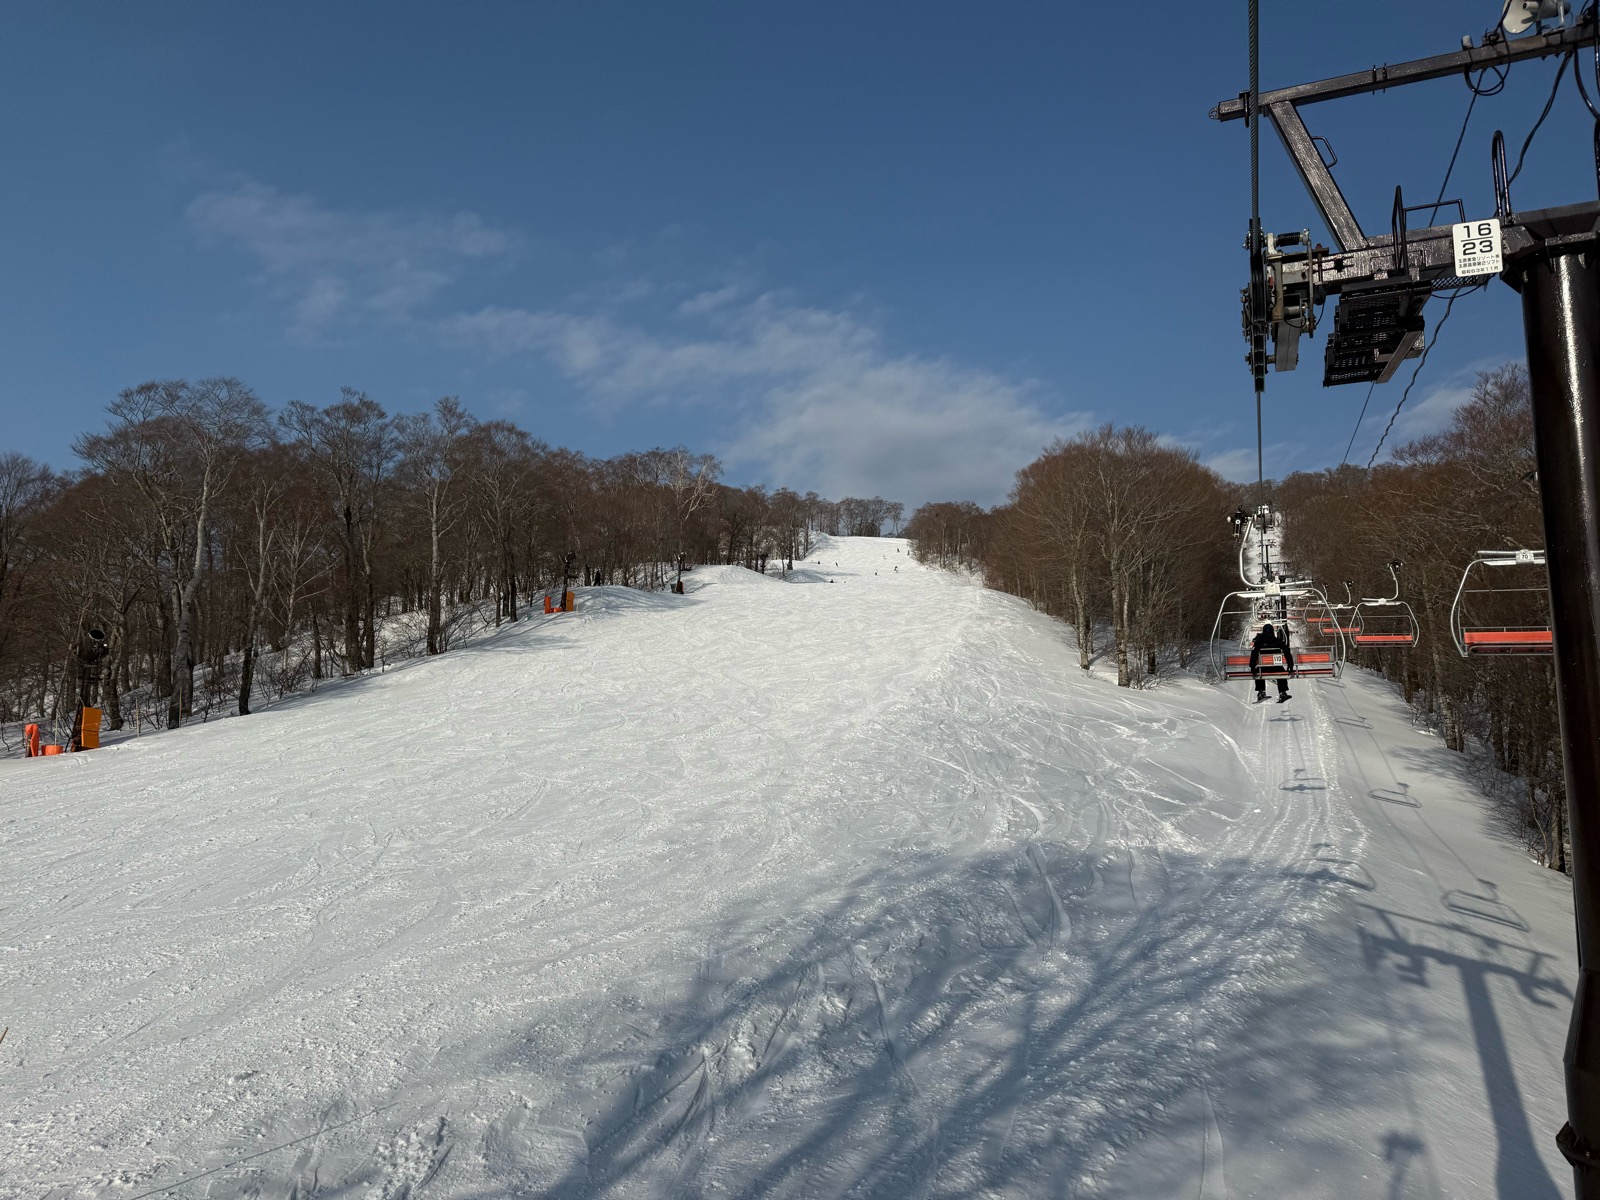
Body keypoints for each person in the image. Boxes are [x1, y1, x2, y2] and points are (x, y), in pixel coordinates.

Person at [1250, 621, 1294, 703]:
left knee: (1258, 671)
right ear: (1272, 632)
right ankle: (1282, 693)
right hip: (1276, 667)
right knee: (1281, 672)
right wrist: (1290, 665)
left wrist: (1252, 667)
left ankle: (1261, 692)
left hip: (1263, 668)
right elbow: (1287, 652)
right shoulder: (1278, 641)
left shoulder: (1259, 643)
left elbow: (1254, 654)